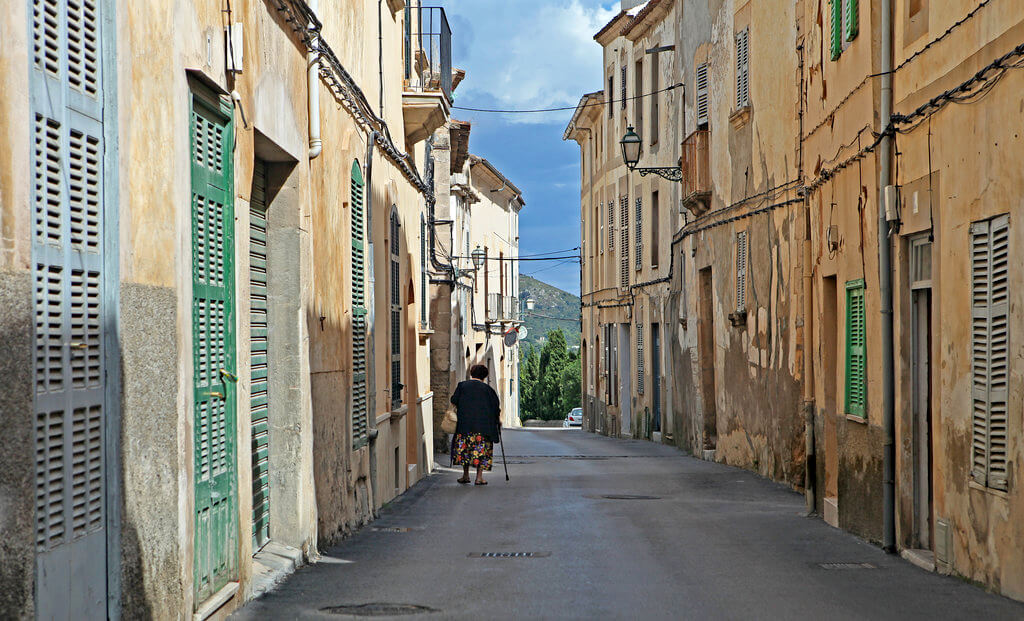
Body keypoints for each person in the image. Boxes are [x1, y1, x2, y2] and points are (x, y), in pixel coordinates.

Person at [450, 364, 501, 485]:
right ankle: (479, 478)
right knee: (481, 452)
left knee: (465, 451)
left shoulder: (462, 386)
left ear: (472, 373)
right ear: (484, 376)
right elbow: (496, 408)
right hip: (483, 428)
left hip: (464, 426)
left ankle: (465, 475)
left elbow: (453, 400)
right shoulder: (489, 390)